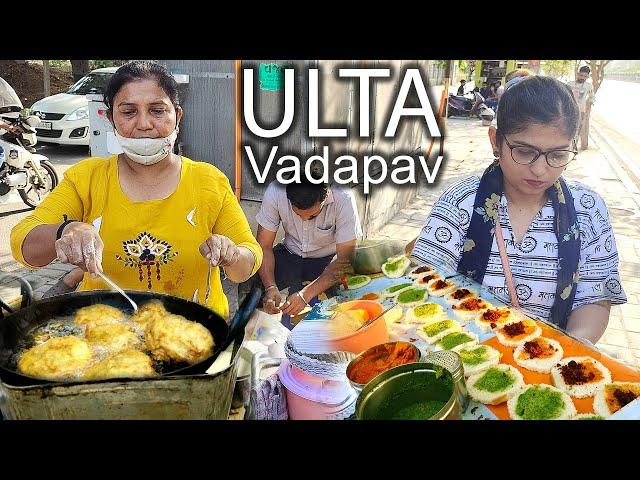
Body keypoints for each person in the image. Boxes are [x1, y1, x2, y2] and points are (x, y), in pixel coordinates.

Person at [10, 60, 263, 320]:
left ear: (177, 115)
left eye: (157, 110)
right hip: (104, 336)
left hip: (197, 337)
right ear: (111, 119)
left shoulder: (209, 181)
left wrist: (231, 255)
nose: (143, 124)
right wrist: (64, 230)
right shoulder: (87, 178)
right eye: (128, 112)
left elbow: (249, 259)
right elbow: (23, 245)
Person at [410, 76, 626, 344]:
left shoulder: (588, 210)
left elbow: (594, 298)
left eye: (557, 155)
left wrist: (570, 347)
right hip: (464, 351)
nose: (539, 169)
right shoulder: (461, 201)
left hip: (549, 361)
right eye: (524, 152)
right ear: (495, 141)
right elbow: (424, 283)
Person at [255, 169, 361, 328]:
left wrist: (306, 294)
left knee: (350, 302)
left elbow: (345, 261)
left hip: (328, 260)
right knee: (253, 283)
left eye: (312, 216)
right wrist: (270, 286)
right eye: (298, 215)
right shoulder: (276, 192)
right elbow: (263, 246)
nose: (305, 220)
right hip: (291, 253)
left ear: (325, 197)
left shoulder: (343, 198)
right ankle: (251, 337)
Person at [567, 65, 595, 148]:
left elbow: (592, 98)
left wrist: (588, 108)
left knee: (576, 131)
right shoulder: (569, 84)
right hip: (568, 111)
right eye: (581, 75)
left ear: (588, 77)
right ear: (578, 74)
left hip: (580, 112)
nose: (583, 78)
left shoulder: (588, 86)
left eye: (585, 76)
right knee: (567, 130)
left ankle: (573, 149)